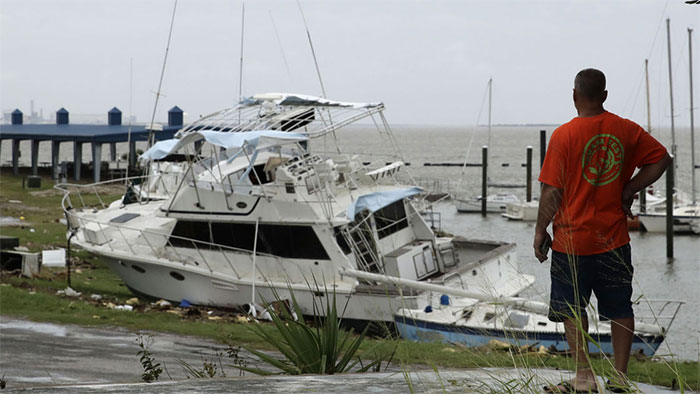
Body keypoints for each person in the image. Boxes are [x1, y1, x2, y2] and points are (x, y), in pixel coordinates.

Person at [534, 68, 672, 393]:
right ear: (605, 96)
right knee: (621, 307)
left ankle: (584, 377)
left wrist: (541, 230)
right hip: (614, 240)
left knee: (572, 308)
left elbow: (551, 191)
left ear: (574, 96)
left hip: (571, 242)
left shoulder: (563, 136)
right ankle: (620, 379)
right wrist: (628, 188)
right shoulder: (625, 130)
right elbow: (661, 159)